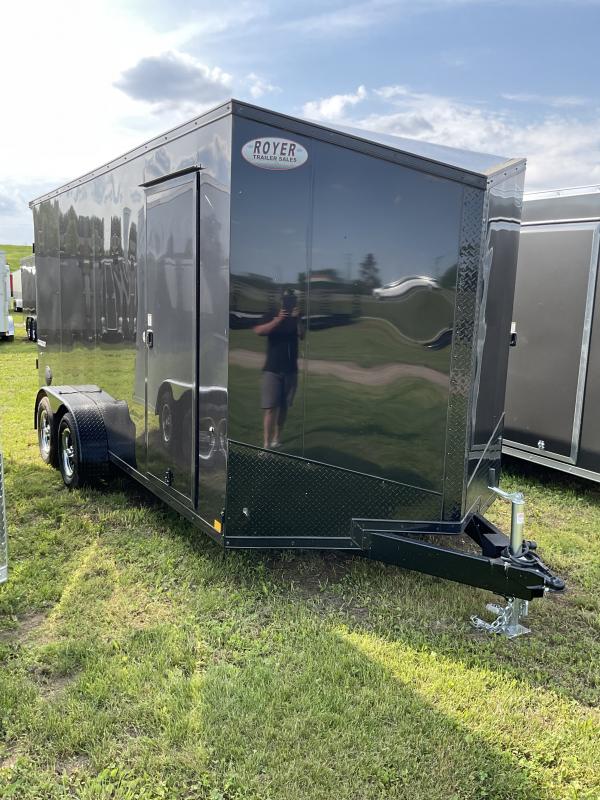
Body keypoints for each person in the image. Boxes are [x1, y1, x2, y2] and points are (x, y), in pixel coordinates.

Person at [254, 289, 304, 449]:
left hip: (290, 369)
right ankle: (266, 444)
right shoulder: (271, 314)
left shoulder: (297, 317)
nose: (289, 303)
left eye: (292, 300)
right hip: (272, 369)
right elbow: (259, 331)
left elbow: (302, 335)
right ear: (281, 301)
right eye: (286, 300)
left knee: (283, 407)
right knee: (270, 408)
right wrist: (278, 320)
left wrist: (298, 320)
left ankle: (277, 438)